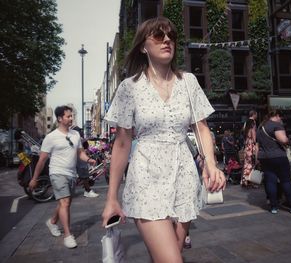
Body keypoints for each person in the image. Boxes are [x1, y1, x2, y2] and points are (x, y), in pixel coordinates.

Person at [102, 17, 226, 262]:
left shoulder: (188, 82)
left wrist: (211, 164)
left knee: (168, 255)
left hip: (184, 178)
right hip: (146, 178)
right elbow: (123, 143)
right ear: (143, 46)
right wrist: (111, 198)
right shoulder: (129, 87)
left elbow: (201, 128)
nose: (167, 40)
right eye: (159, 36)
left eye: (171, 36)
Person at [29, 105, 96, 249]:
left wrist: (88, 159)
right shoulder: (51, 137)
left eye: (71, 116)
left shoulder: (75, 135)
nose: (71, 118)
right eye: (68, 116)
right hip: (57, 172)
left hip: (71, 174)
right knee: (65, 203)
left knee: (64, 204)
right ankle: (68, 235)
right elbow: (41, 160)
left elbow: (80, 153)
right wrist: (34, 178)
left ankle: (52, 222)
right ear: (60, 118)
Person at [256, 110, 291, 214]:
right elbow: (283, 140)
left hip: (264, 157)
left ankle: (273, 207)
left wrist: (257, 159)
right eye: (280, 117)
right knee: (286, 180)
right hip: (278, 156)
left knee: (270, 181)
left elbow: (257, 145)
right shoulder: (276, 125)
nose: (281, 119)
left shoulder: (260, 127)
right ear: (276, 116)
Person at [241, 109, 258, 187]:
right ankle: (251, 181)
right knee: (252, 162)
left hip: (247, 143)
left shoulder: (246, 122)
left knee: (247, 162)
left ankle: (245, 180)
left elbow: (244, 132)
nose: (257, 116)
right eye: (256, 114)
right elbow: (253, 132)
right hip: (251, 143)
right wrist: (255, 142)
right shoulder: (253, 122)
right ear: (254, 114)